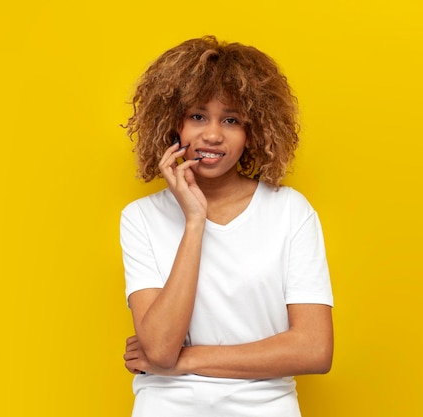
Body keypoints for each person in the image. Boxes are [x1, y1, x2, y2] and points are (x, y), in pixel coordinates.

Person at [120, 36, 334, 417]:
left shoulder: (289, 212)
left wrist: (185, 361)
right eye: (197, 116)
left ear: (254, 130)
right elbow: (160, 348)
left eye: (231, 119)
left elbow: (314, 350)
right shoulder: (140, 218)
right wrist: (195, 221)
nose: (213, 135)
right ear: (173, 125)